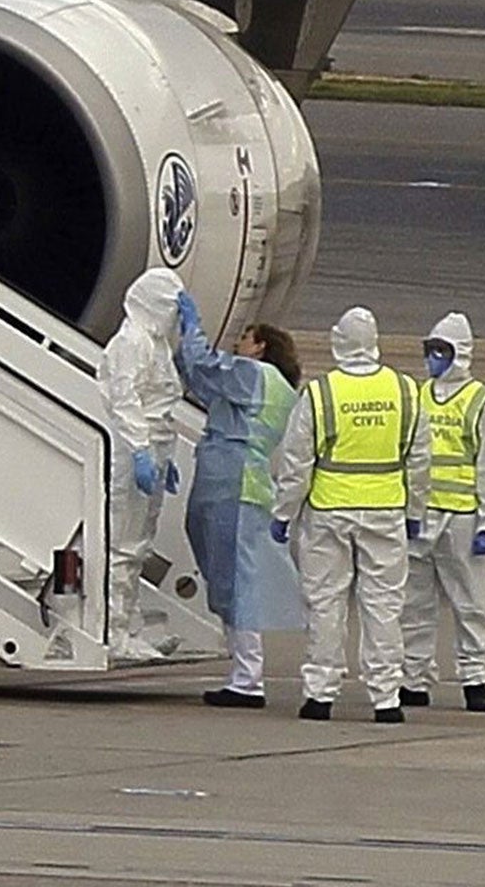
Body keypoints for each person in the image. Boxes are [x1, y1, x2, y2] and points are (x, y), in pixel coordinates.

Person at [272, 306, 430, 723]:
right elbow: (419, 461)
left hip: (329, 512)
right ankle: (386, 698)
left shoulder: (321, 394)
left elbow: (296, 462)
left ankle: (320, 694)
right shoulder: (406, 391)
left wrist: (284, 513)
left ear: (338, 342)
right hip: (385, 511)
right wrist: (415, 511)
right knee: (384, 606)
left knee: (325, 603)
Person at [173, 297, 304, 708]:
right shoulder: (278, 388)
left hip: (233, 478)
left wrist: (192, 330)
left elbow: (203, 371)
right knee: (232, 574)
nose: (238, 346)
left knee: (235, 578)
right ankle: (243, 673)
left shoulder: (253, 375)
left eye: (245, 339)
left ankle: (248, 677)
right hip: (243, 477)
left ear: (261, 346)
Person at [401, 312, 485, 713]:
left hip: (464, 520)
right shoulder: (417, 396)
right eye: (430, 350)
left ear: (459, 353)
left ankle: (476, 678)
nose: (433, 358)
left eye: (441, 351)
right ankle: (413, 678)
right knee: (414, 605)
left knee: (473, 607)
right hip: (421, 516)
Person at [100, 267, 186, 661]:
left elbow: (160, 399)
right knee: (124, 543)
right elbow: (125, 399)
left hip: (153, 445)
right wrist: (139, 450)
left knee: (139, 543)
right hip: (135, 448)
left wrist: (161, 456)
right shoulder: (131, 342)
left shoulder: (155, 343)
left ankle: (131, 626)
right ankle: (116, 631)